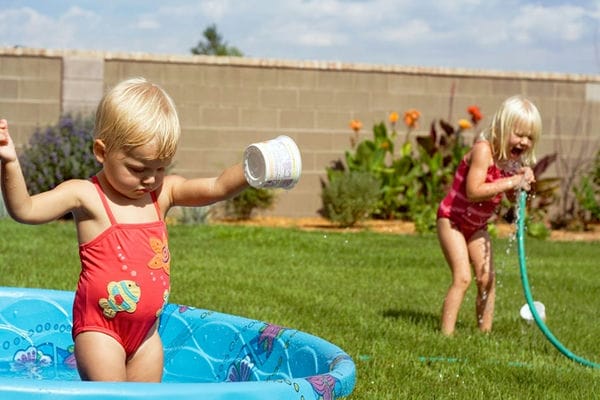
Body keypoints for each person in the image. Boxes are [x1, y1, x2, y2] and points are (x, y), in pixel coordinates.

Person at [0, 77, 250, 381]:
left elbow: (217, 186)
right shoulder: (86, 195)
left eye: (161, 168)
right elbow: (25, 210)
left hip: (146, 336)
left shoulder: (163, 194)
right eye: (138, 168)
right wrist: (10, 162)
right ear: (102, 152)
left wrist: (256, 168)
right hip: (100, 331)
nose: (150, 179)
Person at [437, 95, 542, 336]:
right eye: (519, 134)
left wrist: (523, 184)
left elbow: (513, 200)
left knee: (486, 279)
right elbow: (474, 191)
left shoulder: (512, 163)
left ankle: (484, 335)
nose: (524, 142)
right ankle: (445, 336)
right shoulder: (483, 150)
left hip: (477, 226)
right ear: (502, 127)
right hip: (451, 220)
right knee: (463, 277)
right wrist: (513, 180)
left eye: (530, 137)